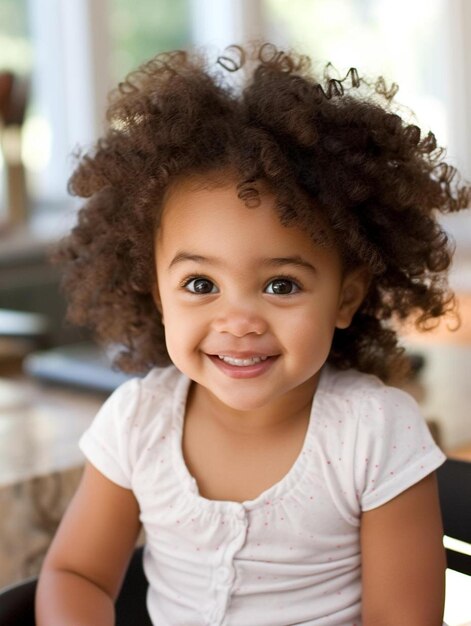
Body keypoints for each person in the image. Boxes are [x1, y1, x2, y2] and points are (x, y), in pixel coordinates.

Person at [35, 42, 469, 626]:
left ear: (346, 297)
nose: (238, 322)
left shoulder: (373, 435)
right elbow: (76, 575)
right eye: (199, 283)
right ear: (156, 291)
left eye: (282, 286)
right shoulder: (137, 424)